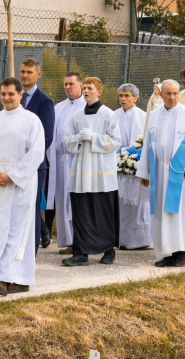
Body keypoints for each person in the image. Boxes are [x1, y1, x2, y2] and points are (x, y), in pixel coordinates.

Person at [0, 78, 45, 296]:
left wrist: (13, 176)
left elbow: (36, 153)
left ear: (20, 95)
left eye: (11, 94)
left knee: (17, 229)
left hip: (20, 183)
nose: (6, 98)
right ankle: (19, 280)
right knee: (1, 229)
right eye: (3, 94)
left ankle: (4, 277)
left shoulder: (31, 120)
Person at [135, 80, 185, 268]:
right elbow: (148, 143)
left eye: (175, 93)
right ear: (161, 95)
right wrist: (145, 172)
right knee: (160, 212)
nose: (172, 97)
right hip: (158, 170)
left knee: (179, 211)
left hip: (179, 172)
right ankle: (167, 252)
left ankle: (181, 252)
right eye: (168, 94)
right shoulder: (155, 114)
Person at [62, 77, 121, 266]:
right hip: (81, 169)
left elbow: (116, 141)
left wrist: (94, 137)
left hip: (101, 171)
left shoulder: (108, 114)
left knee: (102, 211)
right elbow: (66, 140)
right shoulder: (77, 116)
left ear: (99, 91)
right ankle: (81, 252)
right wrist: (78, 139)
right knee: (82, 212)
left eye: (90, 88)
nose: (86, 91)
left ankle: (108, 250)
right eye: (85, 87)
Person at [45, 72, 86, 253]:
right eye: (65, 84)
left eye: (71, 84)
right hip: (60, 161)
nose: (67, 87)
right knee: (62, 201)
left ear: (81, 85)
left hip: (78, 160)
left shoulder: (87, 106)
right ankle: (69, 240)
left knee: (76, 201)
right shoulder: (58, 107)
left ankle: (81, 240)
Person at [20, 58, 55, 254]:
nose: (25, 75)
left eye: (29, 72)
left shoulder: (44, 101)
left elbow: (47, 136)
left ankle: (30, 254)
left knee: (31, 210)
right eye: (23, 71)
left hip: (34, 165)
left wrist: (28, 157)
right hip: (13, 164)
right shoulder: (16, 97)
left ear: (38, 75)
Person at [114, 83, 149, 250]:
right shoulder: (113, 116)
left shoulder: (144, 116)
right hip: (118, 166)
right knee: (120, 202)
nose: (123, 99)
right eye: (121, 96)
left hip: (136, 165)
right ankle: (120, 238)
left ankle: (140, 239)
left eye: (127, 96)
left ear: (135, 98)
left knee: (139, 203)